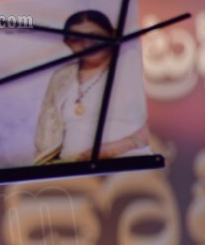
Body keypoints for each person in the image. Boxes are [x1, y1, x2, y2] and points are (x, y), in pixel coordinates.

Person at [34, 9, 150, 164]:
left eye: (95, 36)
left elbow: (162, 125)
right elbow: (46, 134)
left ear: (112, 35)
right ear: (67, 43)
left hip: (126, 162)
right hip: (69, 167)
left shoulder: (132, 64)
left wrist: (112, 149)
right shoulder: (61, 77)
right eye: (77, 39)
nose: (87, 43)